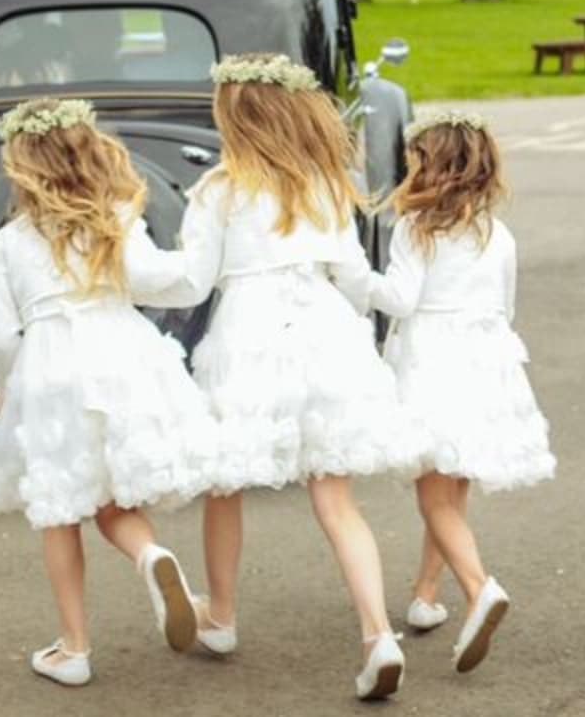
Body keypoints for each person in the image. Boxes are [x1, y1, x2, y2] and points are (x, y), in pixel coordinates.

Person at [146, 52, 422, 700]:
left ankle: (221, 616)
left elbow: (191, 281)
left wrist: (122, 271)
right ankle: (377, 633)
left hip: (250, 338)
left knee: (225, 483)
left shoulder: (220, 189)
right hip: (325, 329)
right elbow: (354, 279)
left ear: (232, 118)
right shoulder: (324, 180)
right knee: (335, 498)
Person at [0, 97, 218, 687]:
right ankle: (151, 558)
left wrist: (7, 390)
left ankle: (74, 648)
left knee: (61, 511)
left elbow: (0, 337)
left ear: (20, 164)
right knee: (114, 504)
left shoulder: (6, 244)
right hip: (122, 356)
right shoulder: (114, 221)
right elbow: (161, 281)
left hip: (50, 371)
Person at [369, 109, 556, 674]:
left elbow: (400, 300)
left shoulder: (415, 229)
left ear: (435, 167)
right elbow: (506, 306)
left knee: (432, 493)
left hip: (432, 362)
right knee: (454, 484)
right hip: (487, 360)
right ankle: (426, 596)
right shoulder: (498, 234)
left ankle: (478, 588)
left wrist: (354, 278)